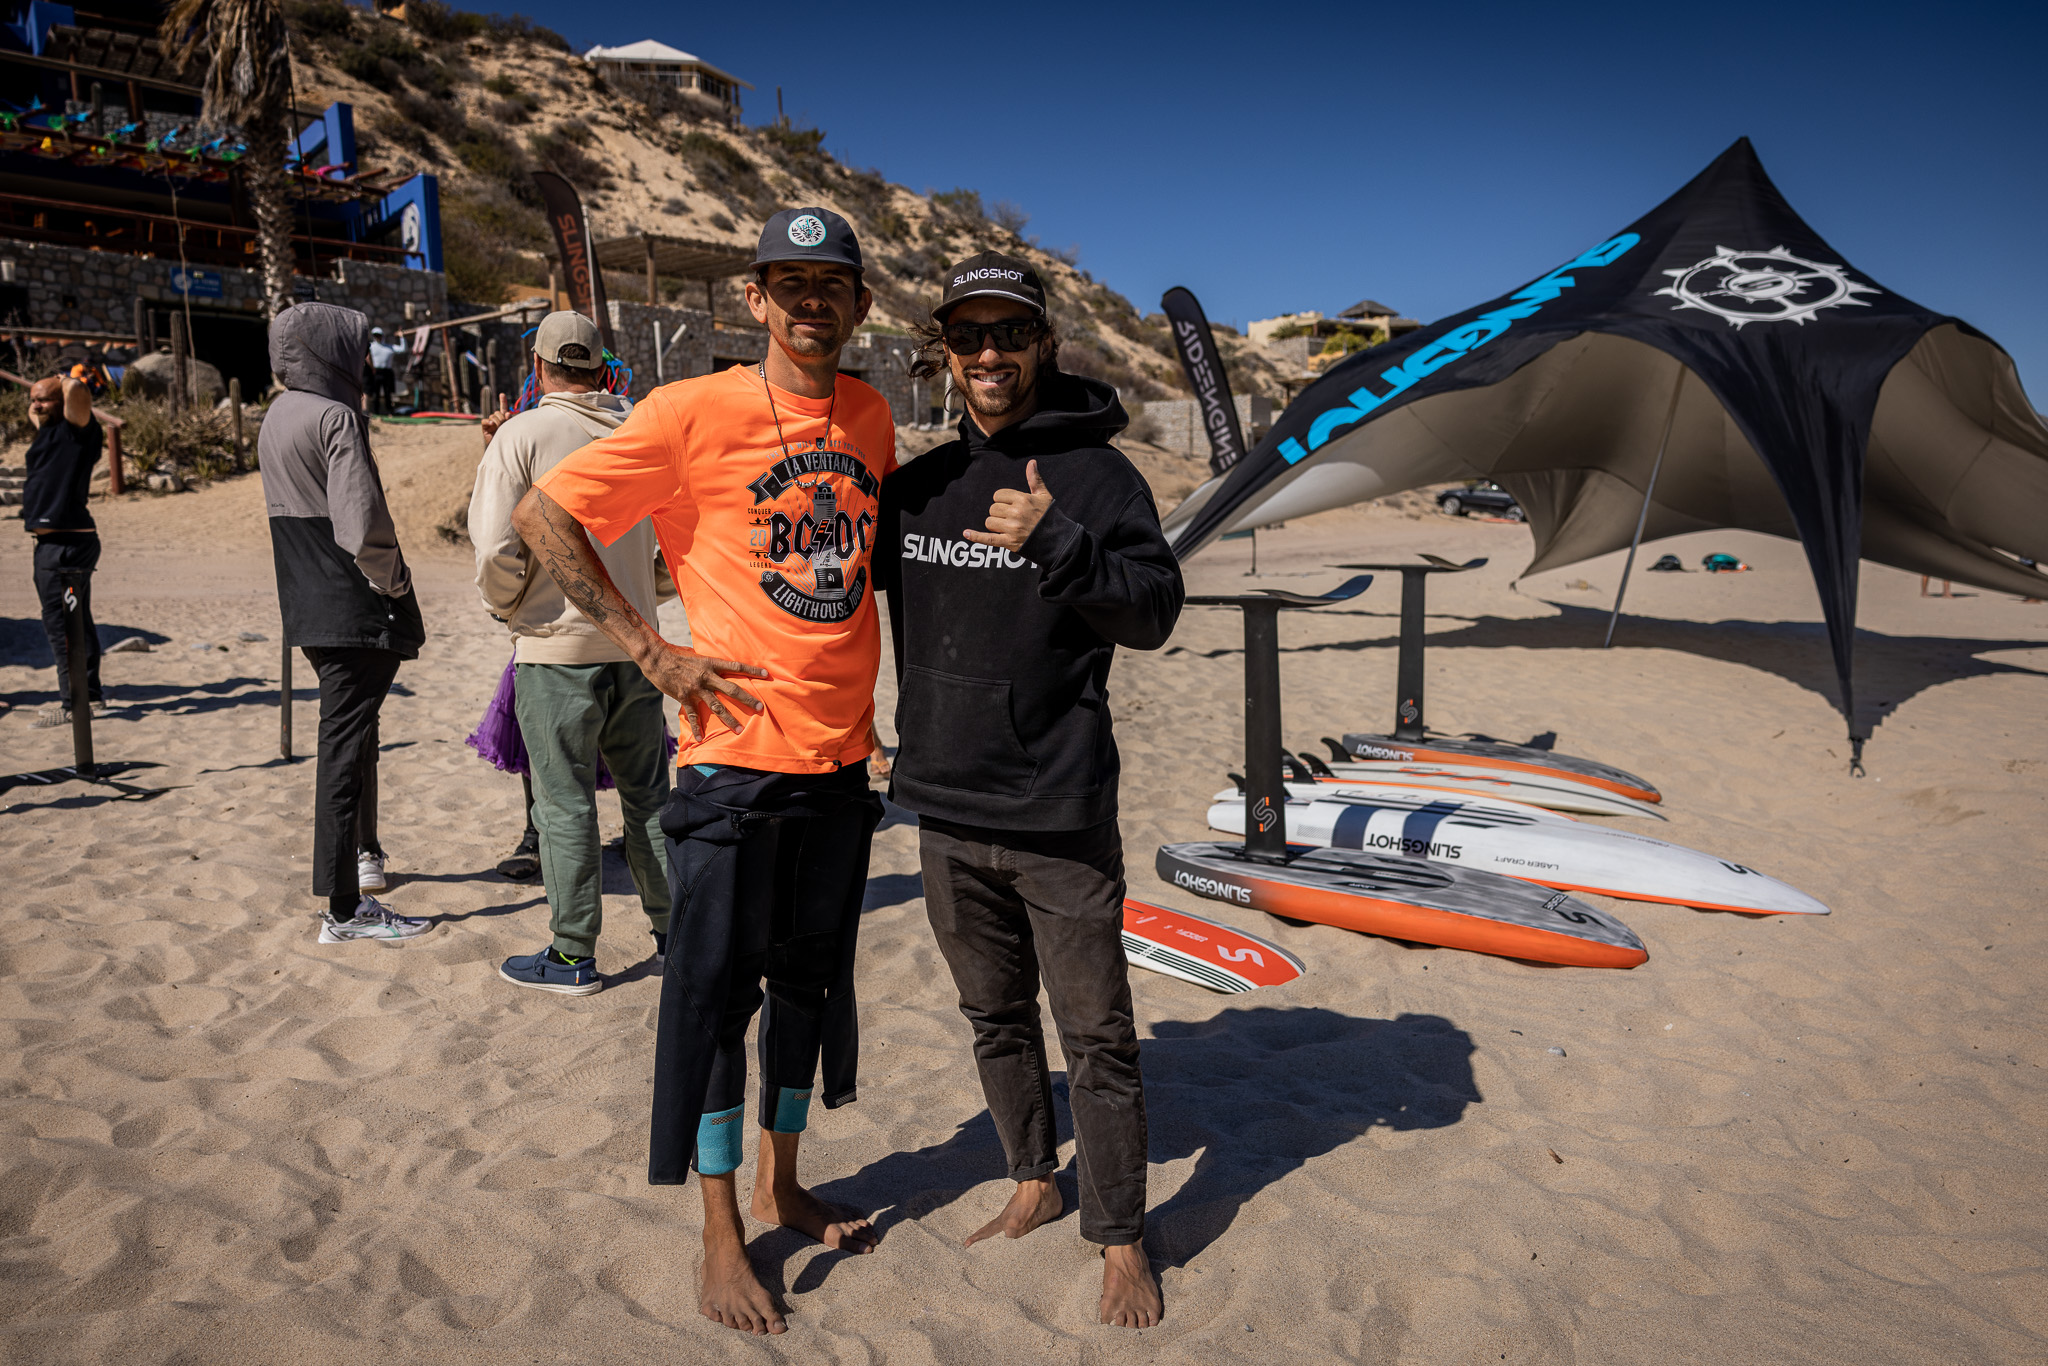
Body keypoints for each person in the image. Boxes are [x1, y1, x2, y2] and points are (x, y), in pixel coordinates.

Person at [512, 207, 894, 1335]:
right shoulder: (688, 410)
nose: (811, 302)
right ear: (755, 300)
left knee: (809, 991)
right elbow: (544, 513)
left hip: (839, 764)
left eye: (831, 284)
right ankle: (722, 1231)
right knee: (717, 1001)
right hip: (732, 762)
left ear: (860, 303)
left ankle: (783, 1184)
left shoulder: (871, 415)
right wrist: (650, 651)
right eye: (790, 284)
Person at [876, 251, 1184, 1329]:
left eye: (1009, 333)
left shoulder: (1099, 478)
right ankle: (1031, 1178)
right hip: (944, 809)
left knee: (1096, 1036)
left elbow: (1154, 612)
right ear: (945, 351)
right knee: (994, 1016)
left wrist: (1057, 541)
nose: (990, 354)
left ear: (1043, 342)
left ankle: (1121, 1238)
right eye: (968, 336)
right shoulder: (915, 487)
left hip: (1058, 814)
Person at [469, 311, 675, 992]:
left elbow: (495, 548)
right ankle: (676, 936)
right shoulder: (640, 431)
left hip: (556, 648)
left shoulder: (523, 433)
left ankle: (571, 955)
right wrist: (643, 597)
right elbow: (674, 545)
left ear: (538, 366)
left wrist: (510, 608)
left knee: (563, 806)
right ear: (601, 366)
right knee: (649, 801)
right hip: (637, 646)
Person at [260, 302, 431, 944]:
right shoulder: (336, 417)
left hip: (304, 603)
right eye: (354, 347)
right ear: (328, 349)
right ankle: (343, 907)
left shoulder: (276, 416)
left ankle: (353, 883)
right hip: (351, 604)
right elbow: (361, 525)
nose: (361, 359)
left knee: (348, 742)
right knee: (344, 750)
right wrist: (397, 583)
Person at [23, 373, 106, 727]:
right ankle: (90, 696)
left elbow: (78, 391)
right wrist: (43, 398)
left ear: (63, 402)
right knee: (77, 621)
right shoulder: (49, 433)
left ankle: (74, 704)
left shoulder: (79, 431)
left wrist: (65, 379)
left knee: (61, 624)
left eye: (44, 399)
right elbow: (36, 412)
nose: (36, 405)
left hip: (65, 545)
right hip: (55, 544)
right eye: (33, 399)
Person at [367, 326, 404, 416]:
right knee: (375, 393)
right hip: (376, 372)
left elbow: (403, 349)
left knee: (388, 393)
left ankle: (390, 412)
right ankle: (375, 412)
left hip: (387, 372)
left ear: (382, 336)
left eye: (379, 335)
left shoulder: (389, 347)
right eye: (375, 335)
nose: (377, 337)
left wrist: (402, 337)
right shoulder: (371, 346)